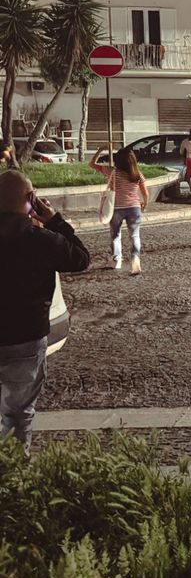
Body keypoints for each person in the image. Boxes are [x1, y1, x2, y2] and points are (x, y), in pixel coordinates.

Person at [0, 170, 90, 451]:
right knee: (18, 413)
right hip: (25, 338)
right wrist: (54, 221)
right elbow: (80, 258)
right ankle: (12, 478)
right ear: (30, 200)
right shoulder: (40, 239)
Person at [91, 146, 149, 274]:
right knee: (134, 235)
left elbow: (92, 164)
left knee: (116, 235)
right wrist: (145, 203)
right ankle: (135, 260)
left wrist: (100, 151)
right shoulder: (137, 174)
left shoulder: (113, 172)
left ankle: (116, 260)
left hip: (116, 208)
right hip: (134, 208)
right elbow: (145, 193)